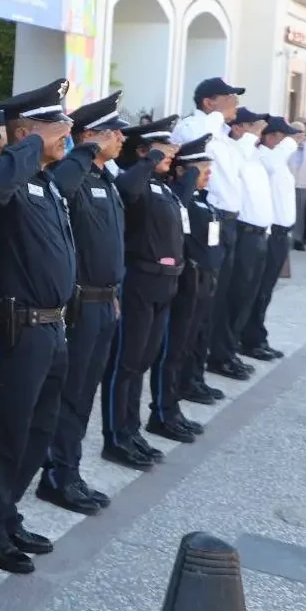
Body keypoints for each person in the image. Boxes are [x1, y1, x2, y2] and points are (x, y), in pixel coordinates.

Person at [0, 79, 75, 575]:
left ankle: (6, 512)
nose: (68, 132)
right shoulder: (3, 172)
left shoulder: (47, 181)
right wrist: (26, 143)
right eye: (58, 125)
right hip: (18, 326)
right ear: (27, 131)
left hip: (53, 326)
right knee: (3, 431)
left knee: (38, 428)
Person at [39, 91, 128, 515]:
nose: (122, 141)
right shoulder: (71, 175)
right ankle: (57, 474)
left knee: (85, 392)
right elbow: (58, 189)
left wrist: (115, 295)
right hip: (77, 305)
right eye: (115, 133)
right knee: (70, 394)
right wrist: (84, 151)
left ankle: (70, 469)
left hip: (104, 302)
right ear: (92, 136)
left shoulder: (106, 180)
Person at [101, 118, 188, 461]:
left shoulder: (164, 187)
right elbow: (127, 189)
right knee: (126, 363)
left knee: (142, 362)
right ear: (143, 151)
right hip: (139, 280)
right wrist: (150, 159)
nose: (168, 156)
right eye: (161, 150)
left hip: (165, 284)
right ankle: (115, 437)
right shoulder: (135, 180)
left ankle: (131, 429)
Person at [171, 78, 245, 404]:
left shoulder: (225, 136)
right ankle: (183, 379)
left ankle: (196, 375)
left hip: (224, 221)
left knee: (211, 303)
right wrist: (217, 118)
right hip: (201, 221)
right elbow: (193, 149)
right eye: (229, 98)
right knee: (194, 306)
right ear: (208, 102)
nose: (235, 105)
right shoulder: (193, 126)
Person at [149, 135, 217, 440]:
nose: (206, 175)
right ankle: (163, 411)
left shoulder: (201, 198)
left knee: (186, 345)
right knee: (172, 350)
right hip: (183, 280)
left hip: (202, 279)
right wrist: (188, 176)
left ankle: (173, 406)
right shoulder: (178, 195)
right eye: (201, 170)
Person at [205, 108, 270, 382]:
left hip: (257, 232)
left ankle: (229, 350)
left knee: (246, 296)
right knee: (232, 296)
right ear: (238, 128)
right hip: (238, 230)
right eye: (253, 127)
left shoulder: (251, 152)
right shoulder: (232, 149)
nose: (258, 132)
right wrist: (247, 137)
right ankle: (221, 354)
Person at [239, 117, 299, 361]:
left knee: (266, 291)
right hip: (270, 232)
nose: (287, 141)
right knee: (258, 290)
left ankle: (257, 336)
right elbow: (279, 156)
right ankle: (250, 339)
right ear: (270, 136)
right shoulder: (264, 157)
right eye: (281, 136)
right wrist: (290, 142)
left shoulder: (276, 159)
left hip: (281, 233)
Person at [288, 121, 306, 250]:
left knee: (300, 213)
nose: (298, 134)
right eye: (295, 131)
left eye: (301, 131)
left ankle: (298, 239)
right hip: (286, 183)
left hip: (303, 182)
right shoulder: (286, 144)